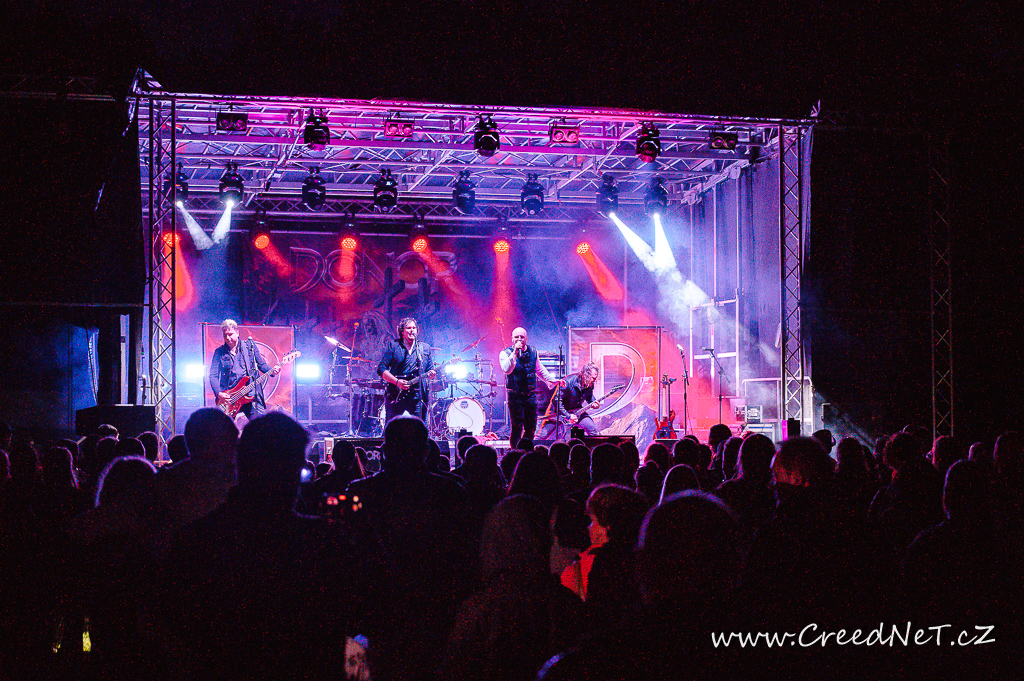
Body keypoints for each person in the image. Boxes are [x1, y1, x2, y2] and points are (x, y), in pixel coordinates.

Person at [499, 327, 564, 449]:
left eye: (522, 337)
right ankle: (515, 452)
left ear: (526, 339)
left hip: (530, 395)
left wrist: (552, 380)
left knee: (531, 427)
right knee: (517, 426)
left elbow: (539, 369)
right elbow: (507, 369)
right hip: (515, 396)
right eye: (516, 337)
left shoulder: (533, 351)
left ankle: (525, 450)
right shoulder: (505, 353)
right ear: (512, 339)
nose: (519, 339)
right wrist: (515, 353)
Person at [209, 319, 280, 427]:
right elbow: (213, 375)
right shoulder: (219, 352)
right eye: (225, 335)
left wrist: (272, 371)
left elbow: (261, 365)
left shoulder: (249, 346)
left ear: (237, 332)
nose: (227, 338)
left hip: (250, 394)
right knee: (223, 429)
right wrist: (219, 393)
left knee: (261, 427)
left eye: (230, 334)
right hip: (230, 398)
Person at [377, 317, 437, 423]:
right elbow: (381, 369)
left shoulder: (425, 348)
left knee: (419, 427)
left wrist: (432, 374)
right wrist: (397, 382)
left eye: (414, 328)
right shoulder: (393, 346)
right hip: (396, 395)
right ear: (402, 331)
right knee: (393, 427)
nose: (412, 330)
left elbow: (430, 369)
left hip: (417, 397)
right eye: (408, 328)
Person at [540, 362, 602, 440]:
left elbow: (589, 396)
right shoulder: (568, 381)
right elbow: (557, 401)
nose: (594, 380)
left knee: (593, 430)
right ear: (586, 375)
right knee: (542, 436)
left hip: (576, 412)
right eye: (593, 378)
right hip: (558, 413)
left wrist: (594, 402)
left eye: (595, 378)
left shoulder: (589, 384)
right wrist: (568, 416)